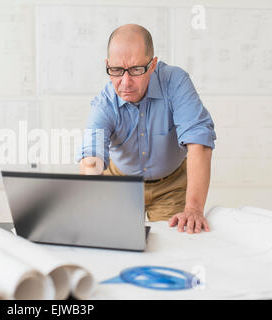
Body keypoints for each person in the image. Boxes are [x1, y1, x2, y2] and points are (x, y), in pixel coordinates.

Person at [76, 24, 216, 234]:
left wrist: (194, 208)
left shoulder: (176, 82)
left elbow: (199, 142)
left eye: (135, 70)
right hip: (121, 184)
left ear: (152, 65)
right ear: (108, 65)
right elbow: (91, 158)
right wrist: (91, 201)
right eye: (116, 71)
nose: (125, 82)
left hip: (171, 185)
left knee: (173, 246)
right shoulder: (104, 103)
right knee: (115, 241)